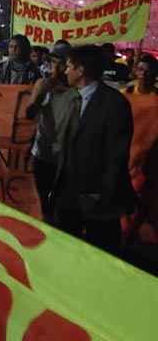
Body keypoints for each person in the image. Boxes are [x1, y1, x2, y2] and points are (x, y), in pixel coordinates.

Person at [53, 45, 135, 255]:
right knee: (66, 253)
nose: (65, 71)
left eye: (69, 66)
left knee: (99, 256)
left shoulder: (115, 103)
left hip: (99, 202)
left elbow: (116, 156)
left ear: (81, 70)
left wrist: (101, 197)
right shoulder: (70, 98)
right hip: (68, 196)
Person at [26, 43, 78, 223]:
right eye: (51, 61)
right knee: (41, 204)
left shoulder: (77, 92)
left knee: (59, 205)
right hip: (42, 153)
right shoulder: (42, 84)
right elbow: (29, 113)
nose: (52, 65)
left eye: (57, 62)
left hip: (64, 159)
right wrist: (43, 92)